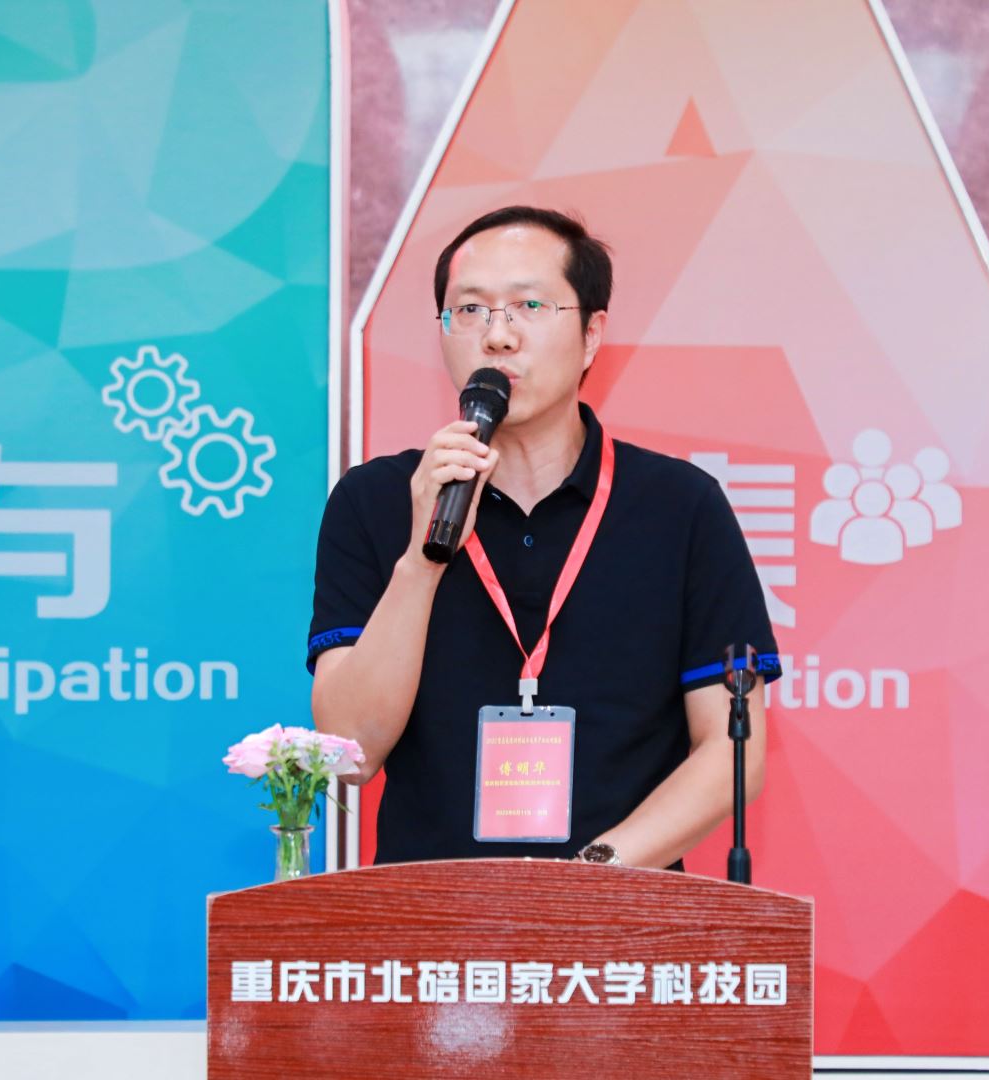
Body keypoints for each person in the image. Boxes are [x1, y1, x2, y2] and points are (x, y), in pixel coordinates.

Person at [307, 206, 777, 869]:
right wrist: (421, 559)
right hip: (427, 914)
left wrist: (587, 881)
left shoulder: (680, 506)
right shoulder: (375, 500)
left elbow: (733, 751)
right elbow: (349, 752)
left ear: (591, 335)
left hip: (619, 912)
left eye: (528, 305)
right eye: (469, 310)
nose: (497, 337)